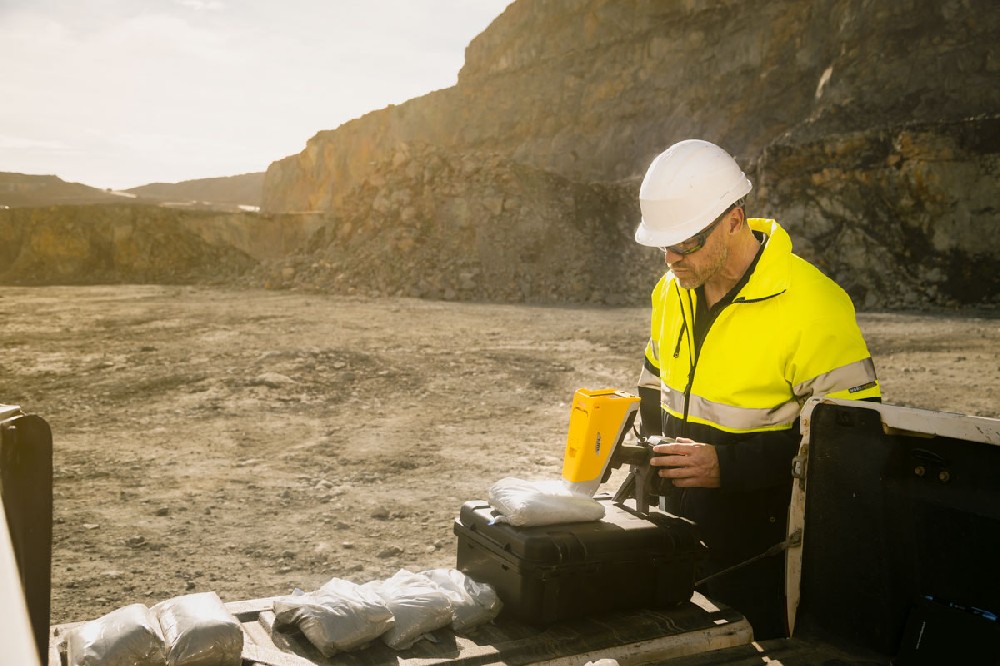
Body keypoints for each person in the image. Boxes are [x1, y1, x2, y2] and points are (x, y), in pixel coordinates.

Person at [633, 139, 880, 640]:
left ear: (734, 220)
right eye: (664, 245)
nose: (672, 258)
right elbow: (653, 380)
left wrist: (728, 467)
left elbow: (855, 447)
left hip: (762, 550)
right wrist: (646, 447)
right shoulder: (671, 289)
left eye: (687, 243)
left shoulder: (814, 306)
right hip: (675, 533)